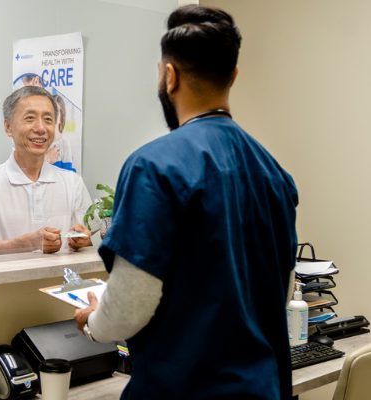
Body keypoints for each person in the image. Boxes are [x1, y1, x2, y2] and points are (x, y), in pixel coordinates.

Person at [73, 5, 298, 399]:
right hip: (262, 387)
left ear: (169, 77)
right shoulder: (273, 173)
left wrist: (94, 322)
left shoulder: (154, 166)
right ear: (233, 75)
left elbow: (128, 309)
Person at [0, 86, 95, 257]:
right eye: (30, 118)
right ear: (8, 127)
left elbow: (87, 245)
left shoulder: (73, 183)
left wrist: (82, 241)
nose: (40, 128)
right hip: (7, 283)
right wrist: (31, 242)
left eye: (48, 119)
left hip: (62, 281)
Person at [45, 94, 75, 172]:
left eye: (56, 112)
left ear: (62, 117)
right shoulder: (38, 141)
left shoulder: (65, 143)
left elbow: (67, 176)